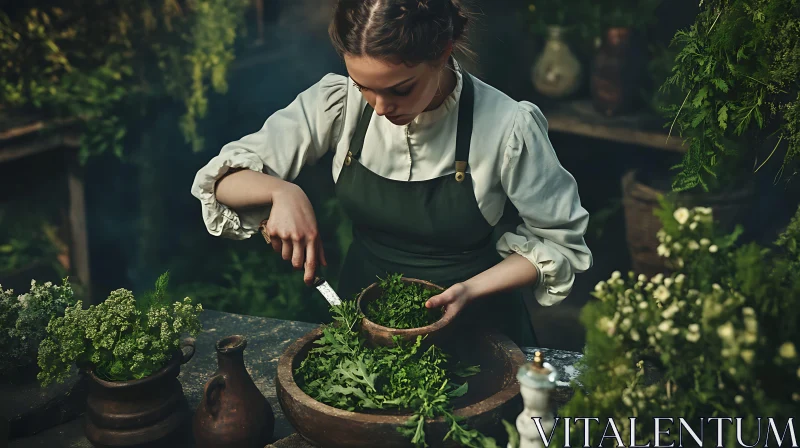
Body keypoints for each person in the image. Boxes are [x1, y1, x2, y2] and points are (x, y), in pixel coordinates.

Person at [191, 0, 592, 347]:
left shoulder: (508, 127)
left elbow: (560, 245)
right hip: (362, 318)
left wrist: (471, 290)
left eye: (400, 90)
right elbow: (222, 181)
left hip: (476, 325)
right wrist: (281, 192)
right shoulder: (337, 103)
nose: (380, 107)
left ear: (443, 52)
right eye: (363, 85)